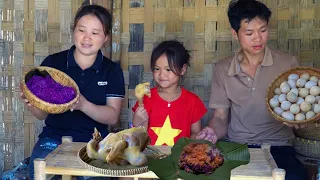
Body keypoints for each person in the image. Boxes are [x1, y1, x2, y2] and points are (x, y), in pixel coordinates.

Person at [196, 0, 308, 179]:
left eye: (263, 30)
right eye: (249, 33)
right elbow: (220, 117)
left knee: (296, 176)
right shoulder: (223, 69)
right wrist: (212, 131)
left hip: (278, 146)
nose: (258, 38)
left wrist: (300, 118)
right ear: (235, 34)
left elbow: (301, 106)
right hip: (236, 147)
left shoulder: (288, 63)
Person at [20, 4, 125, 179]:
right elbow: (42, 115)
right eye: (81, 30)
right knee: (40, 172)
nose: (86, 38)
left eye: (95, 33)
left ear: (105, 37)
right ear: (73, 31)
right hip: (53, 138)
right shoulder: (53, 64)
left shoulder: (111, 70)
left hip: (96, 141)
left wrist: (83, 105)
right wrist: (31, 103)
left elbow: (113, 117)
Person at [132, 40, 207, 146]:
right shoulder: (146, 98)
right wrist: (136, 122)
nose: (162, 74)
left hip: (179, 159)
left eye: (168, 69)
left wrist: (195, 140)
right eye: (157, 68)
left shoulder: (193, 101)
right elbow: (140, 135)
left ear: (182, 69)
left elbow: (195, 132)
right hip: (151, 158)